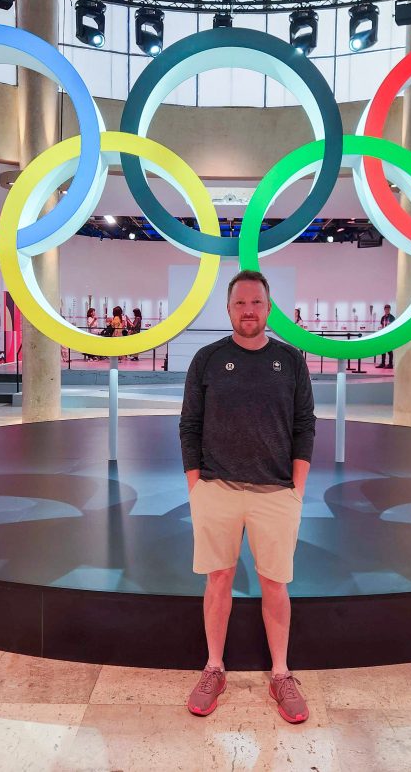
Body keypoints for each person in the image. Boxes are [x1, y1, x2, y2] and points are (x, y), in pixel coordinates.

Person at [180, 269, 316, 725]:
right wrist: (195, 487)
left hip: (276, 492)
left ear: (268, 307)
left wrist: (298, 488)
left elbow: (304, 425)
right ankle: (213, 668)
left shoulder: (291, 361)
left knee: (275, 583)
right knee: (218, 580)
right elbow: (189, 426)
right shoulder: (208, 359)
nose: (249, 311)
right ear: (229, 309)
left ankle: (281, 674)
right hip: (216, 490)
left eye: (256, 303)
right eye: (240, 303)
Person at [376, 304, 396, 368]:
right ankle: (383, 363)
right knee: (383, 350)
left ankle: (390, 364)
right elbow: (382, 326)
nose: (387, 310)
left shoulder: (392, 317)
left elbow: (393, 327)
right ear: (384, 310)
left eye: (388, 309)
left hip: (389, 336)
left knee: (389, 350)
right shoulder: (383, 317)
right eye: (386, 309)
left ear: (390, 309)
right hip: (383, 335)